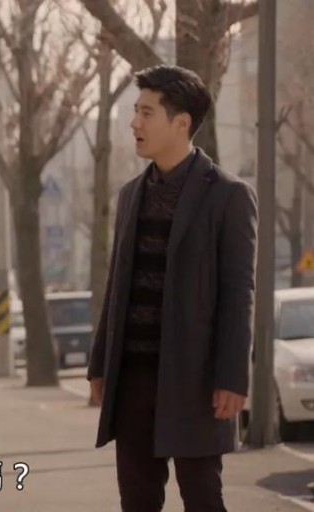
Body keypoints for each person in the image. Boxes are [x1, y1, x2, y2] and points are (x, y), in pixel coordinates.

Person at [87, 65, 258, 512]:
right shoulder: (131, 195)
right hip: (133, 379)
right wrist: (100, 363)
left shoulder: (228, 196)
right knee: (137, 500)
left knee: (203, 497)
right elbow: (117, 286)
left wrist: (232, 377)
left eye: (147, 113)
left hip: (194, 381)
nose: (135, 124)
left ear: (181, 123)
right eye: (135, 112)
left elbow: (238, 293)